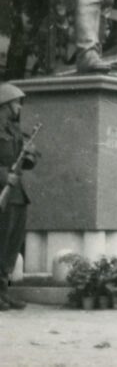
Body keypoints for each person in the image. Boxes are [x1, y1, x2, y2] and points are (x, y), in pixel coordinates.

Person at [0, 83, 38, 311]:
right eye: (15, 103)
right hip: (3, 191)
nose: (18, 107)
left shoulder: (14, 130)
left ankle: (4, 292)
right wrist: (3, 176)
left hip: (16, 195)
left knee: (11, 245)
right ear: (5, 104)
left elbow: (26, 162)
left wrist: (31, 155)